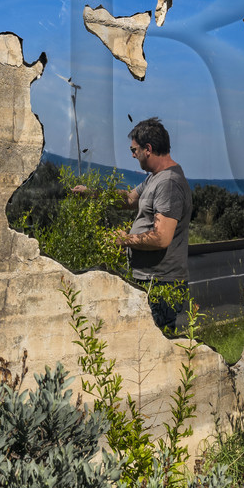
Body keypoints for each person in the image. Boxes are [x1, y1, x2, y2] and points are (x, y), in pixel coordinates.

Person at [79, 117, 193, 332]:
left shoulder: (169, 183)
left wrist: (124, 240)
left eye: (134, 150)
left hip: (161, 283)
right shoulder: (155, 178)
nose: (132, 155)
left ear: (147, 149)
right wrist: (92, 194)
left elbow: (161, 237)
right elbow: (130, 199)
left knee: (154, 347)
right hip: (150, 278)